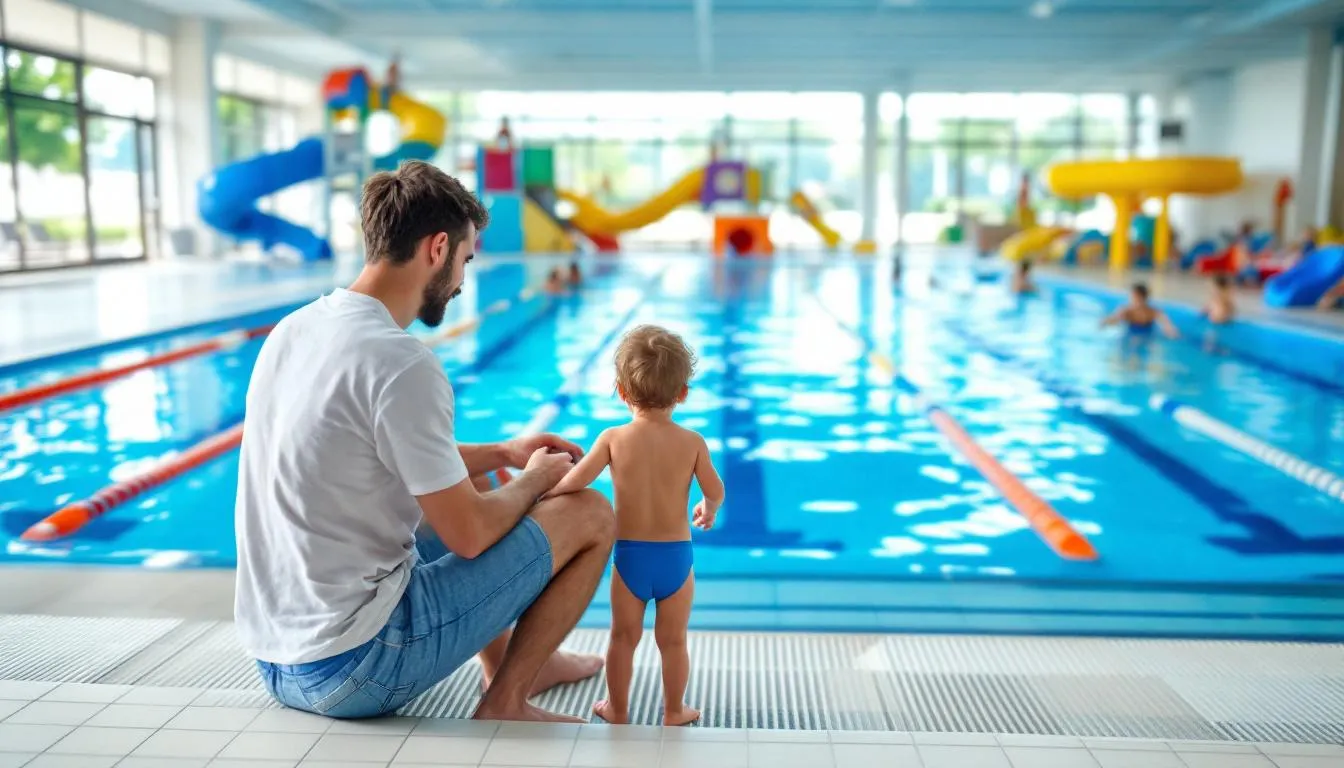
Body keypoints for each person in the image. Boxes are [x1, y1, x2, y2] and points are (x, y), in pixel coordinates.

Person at [235, 160, 614, 723]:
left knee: (475, 477)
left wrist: (506, 453)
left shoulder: (295, 330)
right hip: (357, 667)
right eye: (465, 260)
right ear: (438, 249)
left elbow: (365, 453)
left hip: (276, 661)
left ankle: (515, 664)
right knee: (591, 513)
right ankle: (506, 703)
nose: (461, 282)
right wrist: (536, 478)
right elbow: (470, 535)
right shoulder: (400, 361)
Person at [546, 325, 725, 727]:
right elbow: (716, 490)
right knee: (673, 641)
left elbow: (576, 480)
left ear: (622, 391)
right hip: (676, 559)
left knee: (622, 638)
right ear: (682, 393)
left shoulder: (613, 438)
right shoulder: (693, 442)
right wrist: (708, 508)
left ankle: (618, 708)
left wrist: (543, 493)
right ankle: (674, 711)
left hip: (630, 559)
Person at [1101, 282, 1178, 339]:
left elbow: (1167, 325)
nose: (1133, 299)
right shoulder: (1126, 311)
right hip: (1130, 336)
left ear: (1144, 298)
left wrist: (1171, 331)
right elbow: (1114, 319)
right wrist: (1107, 322)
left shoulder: (1153, 312)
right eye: (1132, 297)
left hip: (1148, 337)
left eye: (1135, 297)